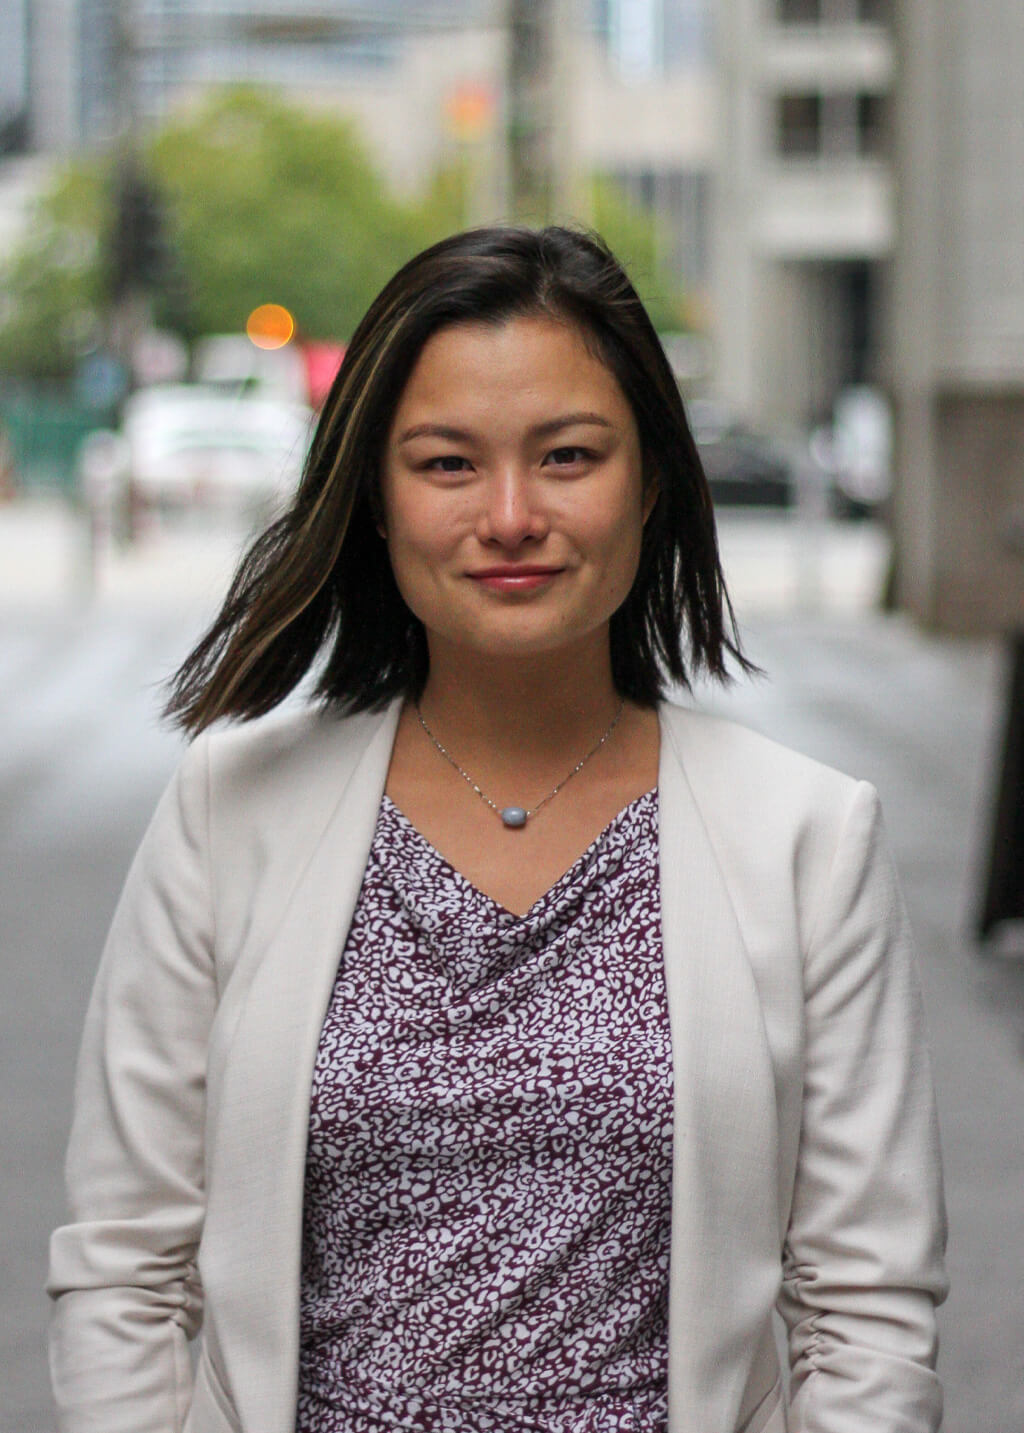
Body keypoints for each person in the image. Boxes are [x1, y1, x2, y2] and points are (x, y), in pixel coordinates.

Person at [47, 226, 947, 1433]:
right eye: (448, 463)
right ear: (372, 496)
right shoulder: (230, 813)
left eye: (568, 455)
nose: (511, 515)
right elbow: (123, 1264)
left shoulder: (806, 838)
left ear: (653, 483)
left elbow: (867, 1305)